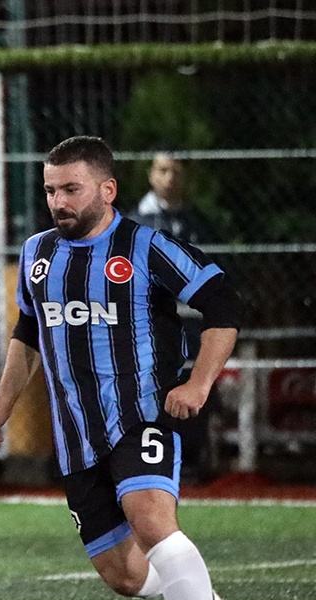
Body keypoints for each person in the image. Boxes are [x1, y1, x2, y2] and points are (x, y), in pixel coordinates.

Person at [0, 136, 240, 600]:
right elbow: (28, 333)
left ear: (108, 189)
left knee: (151, 519)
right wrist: (1, 405)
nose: (58, 201)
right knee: (123, 576)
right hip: (76, 435)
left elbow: (222, 305)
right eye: (50, 190)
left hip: (142, 415)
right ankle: (195, 593)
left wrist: (198, 385)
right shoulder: (38, 254)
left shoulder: (146, 247)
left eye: (71, 189)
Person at [127, 150, 221, 483]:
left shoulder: (198, 223)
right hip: (150, 326)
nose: (170, 178)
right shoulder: (135, 224)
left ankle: (190, 460)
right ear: (151, 174)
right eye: (163, 170)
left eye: (176, 172)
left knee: (192, 385)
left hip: (190, 324)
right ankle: (149, 461)